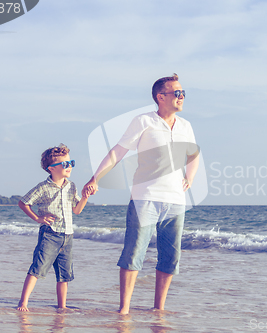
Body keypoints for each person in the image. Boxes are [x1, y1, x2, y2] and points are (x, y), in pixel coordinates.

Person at [83, 73, 200, 314]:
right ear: (161, 97)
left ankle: (159, 308)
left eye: (183, 93)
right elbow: (118, 151)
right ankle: (124, 309)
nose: (181, 97)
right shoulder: (143, 121)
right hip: (144, 197)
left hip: (176, 201)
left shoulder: (186, 126)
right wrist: (96, 177)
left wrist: (190, 178)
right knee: (134, 252)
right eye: (176, 93)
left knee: (170, 257)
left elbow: (194, 155)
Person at [17, 144, 89, 312]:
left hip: (67, 235)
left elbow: (77, 210)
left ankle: (62, 306)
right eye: (64, 164)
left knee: (64, 275)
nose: (69, 166)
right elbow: (23, 202)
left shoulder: (71, 186)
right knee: (38, 268)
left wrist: (85, 196)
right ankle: (23, 302)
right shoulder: (43, 187)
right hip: (49, 234)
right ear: (51, 169)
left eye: (71, 162)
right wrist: (37, 218)